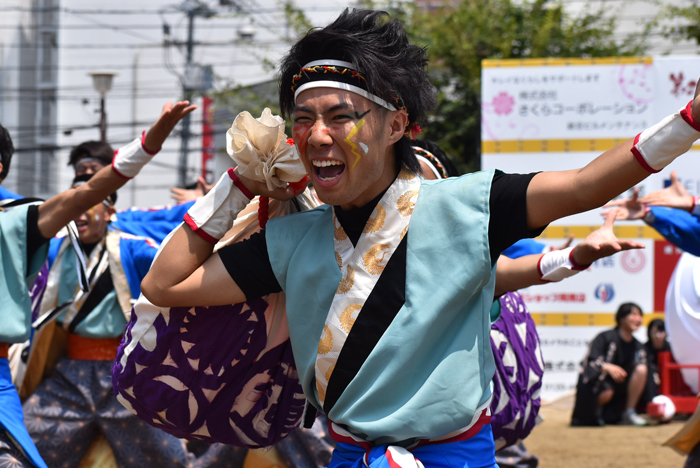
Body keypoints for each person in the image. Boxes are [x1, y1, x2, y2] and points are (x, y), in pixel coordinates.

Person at [135, 9, 700, 466]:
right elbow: (166, 285)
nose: (318, 135)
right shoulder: (293, 240)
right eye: (302, 119)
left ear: (396, 124)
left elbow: (584, 186)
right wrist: (239, 180)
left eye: (341, 115)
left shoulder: (465, 206)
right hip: (352, 458)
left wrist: (689, 121)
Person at [0, 101, 195, 468]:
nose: (83, 210)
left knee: (170, 460)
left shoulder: (135, 248)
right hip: (70, 373)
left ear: (109, 209)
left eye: (93, 196)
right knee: (35, 445)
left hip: (126, 371)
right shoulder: (53, 246)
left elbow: (185, 248)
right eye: (81, 184)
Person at [571, 303, 649, 426]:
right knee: (606, 392)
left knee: (641, 369)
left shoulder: (638, 346)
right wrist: (607, 367)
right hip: (599, 384)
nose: (638, 319)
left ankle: (629, 412)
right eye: (634, 314)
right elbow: (589, 362)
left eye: (640, 316)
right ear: (621, 318)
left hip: (623, 387)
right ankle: (594, 413)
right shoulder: (605, 337)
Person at [641, 318, 671, 409]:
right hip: (649, 385)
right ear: (649, 333)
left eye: (661, 331)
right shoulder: (644, 348)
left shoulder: (670, 348)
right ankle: (652, 405)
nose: (658, 336)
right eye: (655, 332)